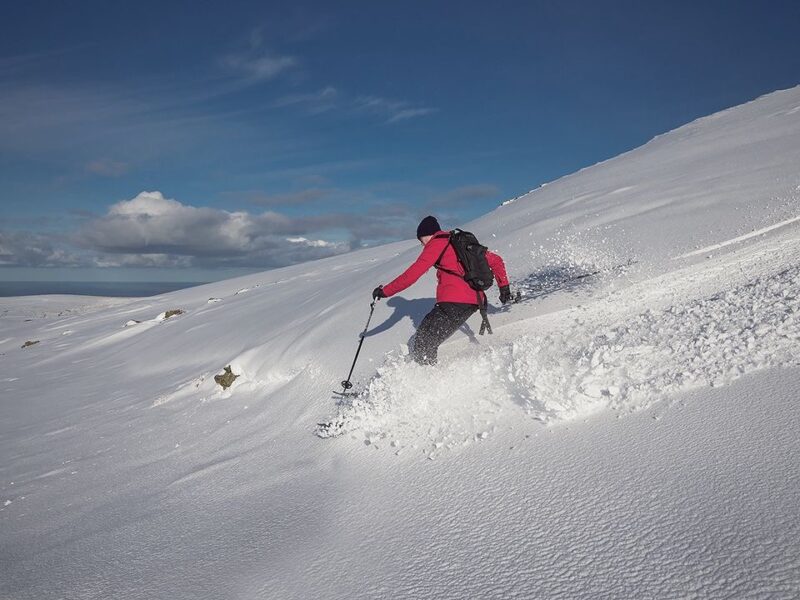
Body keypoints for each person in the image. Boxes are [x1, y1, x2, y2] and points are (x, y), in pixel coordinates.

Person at [372, 216, 511, 365]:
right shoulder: (457, 243)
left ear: (427, 235)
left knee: (423, 343)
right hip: (472, 301)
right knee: (423, 340)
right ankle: (428, 376)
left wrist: (385, 291)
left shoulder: (437, 243)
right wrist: (504, 287)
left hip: (454, 303)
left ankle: (428, 380)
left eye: (421, 240)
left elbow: (413, 274)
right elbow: (496, 260)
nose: (421, 244)